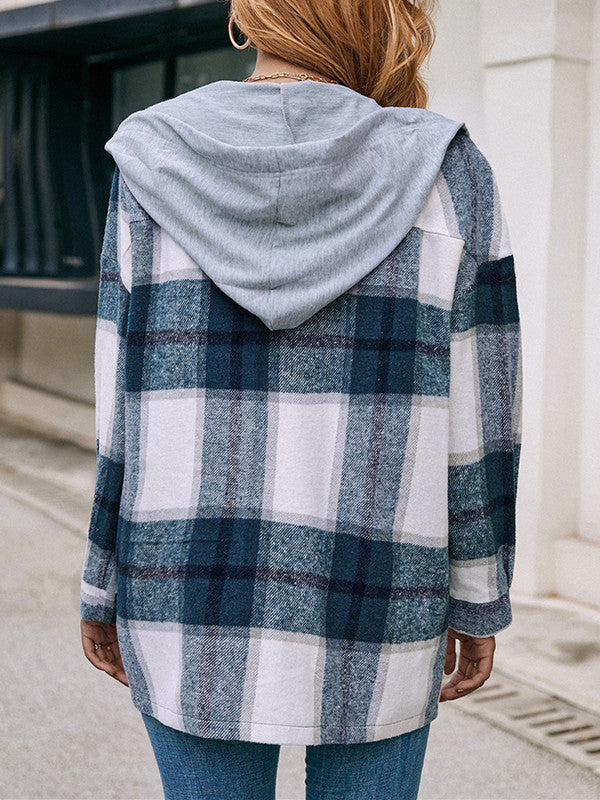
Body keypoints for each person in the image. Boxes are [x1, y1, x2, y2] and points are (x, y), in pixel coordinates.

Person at [79, 0, 523, 798]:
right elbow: (480, 422)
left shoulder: (151, 158)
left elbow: (120, 405)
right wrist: (480, 595)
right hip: (381, 587)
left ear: (250, 17)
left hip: (185, 584)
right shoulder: (447, 169)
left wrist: (101, 580)